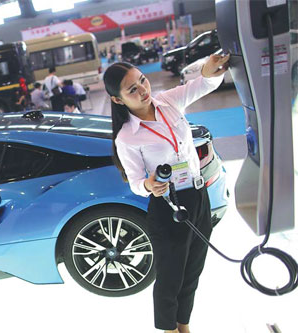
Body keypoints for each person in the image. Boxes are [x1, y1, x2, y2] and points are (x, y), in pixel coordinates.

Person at [106, 53, 230, 333]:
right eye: (132, 90)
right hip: (168, 206)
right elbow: (135, 182)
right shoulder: (127, 136)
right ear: (118, 100)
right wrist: (149, 185)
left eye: (143, 81)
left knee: (192, 271)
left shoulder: (168, 101)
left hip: (198, 196)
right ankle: (168, 329)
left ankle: (183, 326)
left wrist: (209, 71)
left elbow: (202, 86)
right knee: (170, 278)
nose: (143, 90)